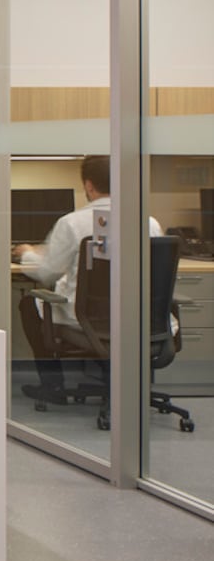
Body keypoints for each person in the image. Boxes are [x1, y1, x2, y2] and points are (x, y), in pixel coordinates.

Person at [13, 155, 166, 404]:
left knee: (29, 304)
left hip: (86, 319)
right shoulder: (148, 222)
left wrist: (27, 254)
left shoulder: (72, 223)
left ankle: (53, 387)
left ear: (89, 185)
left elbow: (47, 273)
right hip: (138, 317)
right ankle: (118, 381)